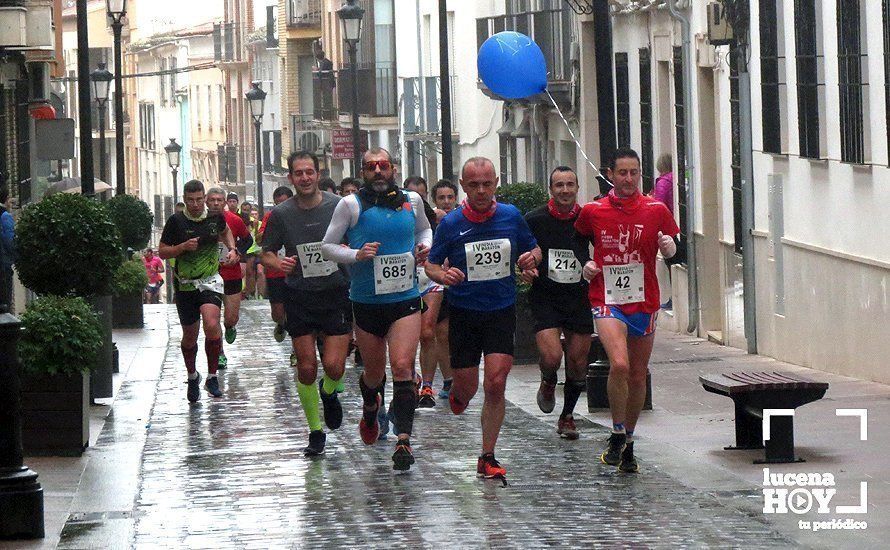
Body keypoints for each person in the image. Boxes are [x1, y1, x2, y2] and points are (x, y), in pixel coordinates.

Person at [425, 157, 541, 480]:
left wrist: (530, 260)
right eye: (473, 184)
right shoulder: (450, 224)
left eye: (486, 184)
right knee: (468, 388)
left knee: (496, 382)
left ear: (496, 183)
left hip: (501, 310)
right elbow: (431, 265)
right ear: (463, 185)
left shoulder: (510, 216)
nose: (480, 190)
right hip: (464, 312)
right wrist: (444, 274)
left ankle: (487, 455)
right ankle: (459, 395)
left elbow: (534, 250)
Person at [322, 147, 432, 471]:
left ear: (393, 168)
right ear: (363, 172)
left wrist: (425, 248)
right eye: (371, 167)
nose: (379, 171)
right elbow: (328, 247)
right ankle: (371, 408)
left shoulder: (412, 201)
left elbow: (425, 230)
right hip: (367, 301)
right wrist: (355, 254)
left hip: (405, 298)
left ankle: (404, 440)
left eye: (384, 165)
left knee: (401, 366)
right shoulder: (350, 205)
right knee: (373, 375)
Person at [574, 148, 680, 473]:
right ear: (611, 173)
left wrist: (670, 248)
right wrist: (586, 263)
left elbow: (676, 245)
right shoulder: (594, 210)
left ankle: (630, 440)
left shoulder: (655, 209)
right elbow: (578, 239)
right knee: (618, 364)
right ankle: (616, 431)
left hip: (644, 300)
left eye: (634, 172)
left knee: (637, 375)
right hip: (606, 298)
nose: (629, 179)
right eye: (623, 173)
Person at [262, 152, 351, 456]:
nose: (304, 178)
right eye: (298, 173)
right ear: (291, 178)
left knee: (335, 366)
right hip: (299, 294)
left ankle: (329, 394)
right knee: (307, 367)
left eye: (309, 172)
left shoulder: (337, 205)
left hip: (336, 290)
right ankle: (315, 431)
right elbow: (267, 253)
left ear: (317, 174)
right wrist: (279, 263)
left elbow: (355, 236)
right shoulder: (281, 214)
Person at [521, 167, 592, 440]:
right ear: (551, 189)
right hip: (546, 295)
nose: (565, 190)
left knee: (577, 361)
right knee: (552, 356)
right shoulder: (535, 219)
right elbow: (523, 251)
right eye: (559, 185)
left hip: (578, 296)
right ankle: (549, 379)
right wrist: (526, 266)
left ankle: (567, 416)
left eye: (570, 185)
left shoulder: (587, 218)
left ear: (576, 188)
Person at [159, 180, 239, 401]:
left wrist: (232, 249)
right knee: (189, 337)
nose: (195, 204)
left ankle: (212, 377)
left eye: (198, 199)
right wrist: (182, 247)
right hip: (185, 284)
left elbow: (226, 232)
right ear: (184, 200)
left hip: (210, 280)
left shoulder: (214, 217)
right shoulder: (176, 221)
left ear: (204, 198)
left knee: (212, 324)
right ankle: (193, 375)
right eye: (190, 200)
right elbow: (163, 252)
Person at [206, 188, 253, 367]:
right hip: (209, 276)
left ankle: (230, 326)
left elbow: (248, 240)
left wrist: (238, 253)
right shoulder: (199, 221)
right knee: (212, 318)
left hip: (231, 275)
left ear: (225, 202)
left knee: (230, 317)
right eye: (212, 200)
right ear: (206, 201)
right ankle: (219, 353)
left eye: (219, 200)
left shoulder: (234, 220)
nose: (216, 203)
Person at [429, 179, 458, 398]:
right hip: (437, 283)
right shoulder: (429, 224)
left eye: (450, 197)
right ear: (434, 200)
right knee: (442, 333)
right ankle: (449, 380)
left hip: (461, 281)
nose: (447, 202)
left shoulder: (463, 220)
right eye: (442, 198)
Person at [258, 186, 294, 342]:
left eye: (284, 203)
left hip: (294, 272)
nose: (281, 207)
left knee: (296, 312)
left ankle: (295, 348)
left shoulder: (299, 216)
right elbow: (259, 240)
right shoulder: (270, 217)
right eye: (278, 203)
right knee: (277, 313)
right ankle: (281, 323)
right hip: (275, 271)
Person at [239, 202, 262, 299]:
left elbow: (258, 239)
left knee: (251, 270)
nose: (245, 211)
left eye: (247, 210)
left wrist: (255, 227)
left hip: (252, 251)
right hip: (240, 250)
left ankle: (251, 293)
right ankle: (243, 292)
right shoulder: (237, 220)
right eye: (243, 209)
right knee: (243, 271)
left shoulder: (254, 222)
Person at [0, 187, 16, 311]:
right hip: (4, 263)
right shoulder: (5, 216)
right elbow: (9, 239)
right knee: (6, 300)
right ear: (5, 199)